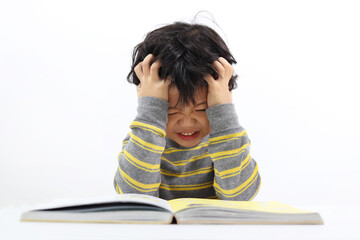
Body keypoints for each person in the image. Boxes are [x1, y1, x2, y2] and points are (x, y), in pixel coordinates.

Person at [113, 21, 261, 200]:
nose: (187, 123)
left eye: (202, 109)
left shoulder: (228, 140)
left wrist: (223, 112)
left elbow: (240, 199)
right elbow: (135, 199)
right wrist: (151, 109)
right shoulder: (143, 138)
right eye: (170, 112)